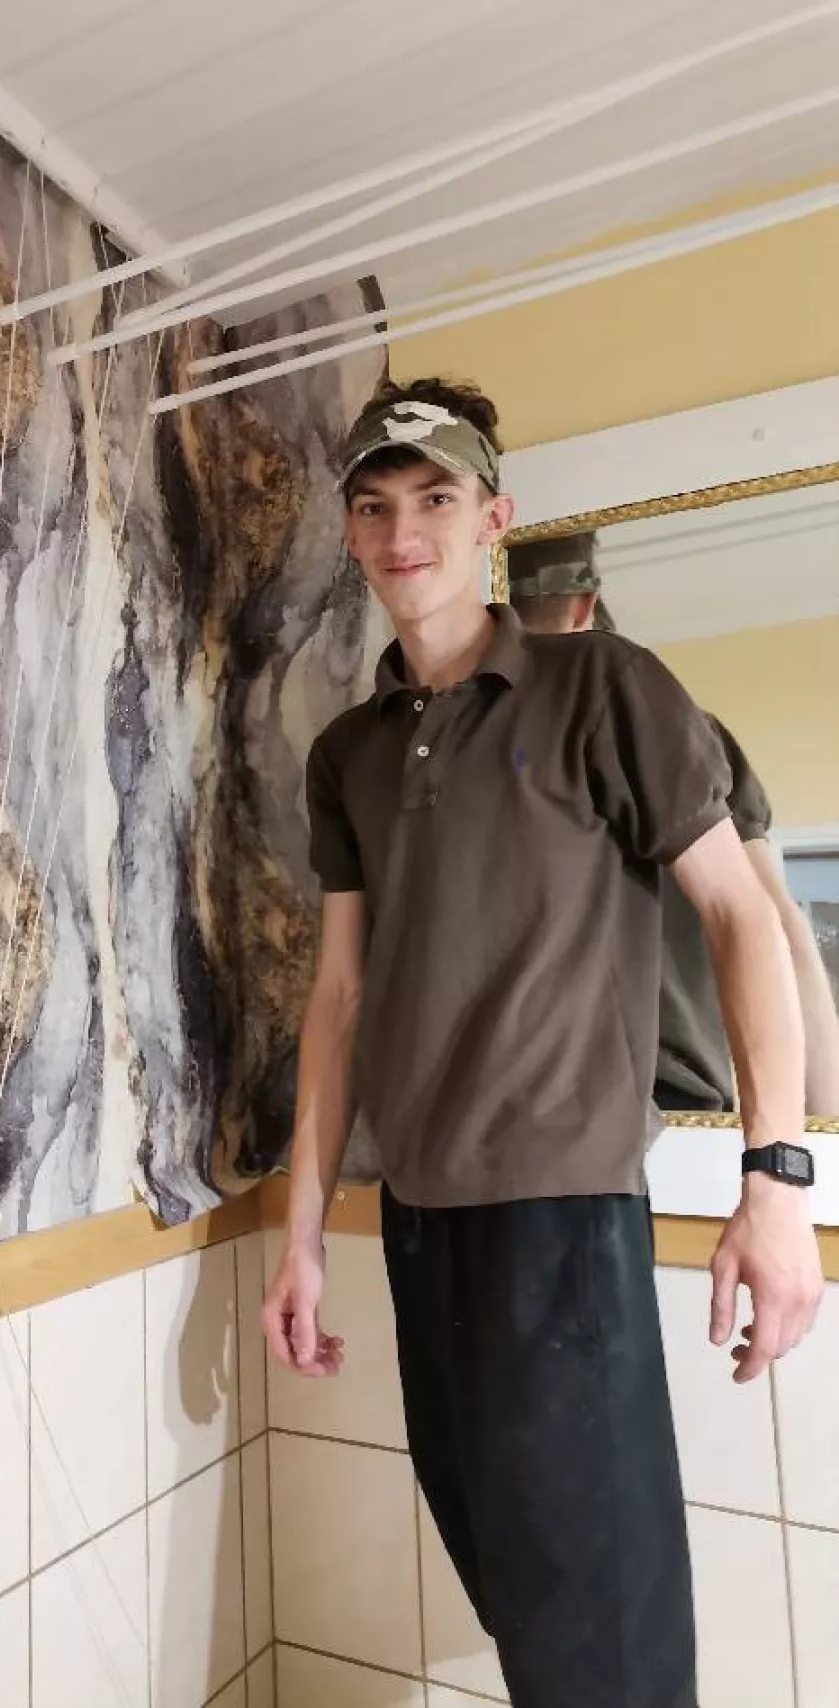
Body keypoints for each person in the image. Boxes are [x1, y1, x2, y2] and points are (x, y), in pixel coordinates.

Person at [261, 377, 824, 1708]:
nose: (403, 532)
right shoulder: (346, 753)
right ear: (350, 532)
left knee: (602, 1651)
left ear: (493, 519)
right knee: (515, 1598)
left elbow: (742, 914)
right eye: (374, 506)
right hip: (417, 1217)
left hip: (560, 1218)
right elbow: (338, 995)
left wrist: (777, 1177)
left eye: (435, 499)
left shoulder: (601, 686)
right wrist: (302, 1231)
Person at [509, 532, 839, 1118]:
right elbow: (781, 934)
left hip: (642, 1097)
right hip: (573, 1101)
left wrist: (813, 1139)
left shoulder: (682, 735)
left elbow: (776, 931)